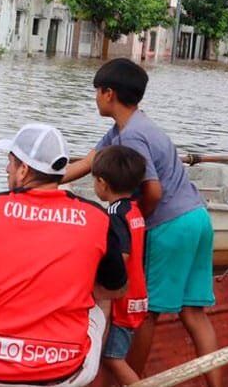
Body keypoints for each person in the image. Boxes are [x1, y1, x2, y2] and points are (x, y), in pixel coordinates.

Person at [63, 58, 220, 387]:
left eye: (97, 92)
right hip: (198, 219)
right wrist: (44, 180)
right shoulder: (130, 126)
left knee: (145, 311)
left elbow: (153, 190)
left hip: (170, 225)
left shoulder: (132, 136)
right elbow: (92, 161)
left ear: (109, 94)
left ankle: (132, 382)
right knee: (193, 313)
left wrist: (137, 223)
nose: (95, 98)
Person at [0, 123, 127, 387]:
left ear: (24, 170)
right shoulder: (97, 217)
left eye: (11, 163)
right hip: (67, 372)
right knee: (101, 302)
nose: (7, 169)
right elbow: (115, 290)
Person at [91, 145, 148, 385]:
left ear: (102, 184)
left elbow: (121, 255)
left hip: (122, 301)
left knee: (113, 357)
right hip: (138, 295)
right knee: (109, 356)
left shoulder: (114, 215)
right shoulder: (134, 210)